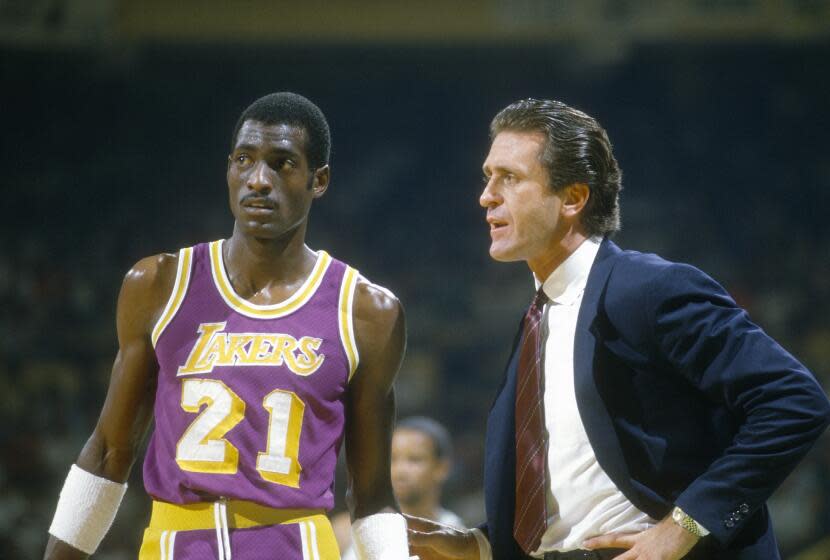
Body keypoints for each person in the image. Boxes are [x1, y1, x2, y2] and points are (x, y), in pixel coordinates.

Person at [407, 98, 830, 560]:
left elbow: (795, 400)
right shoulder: (537, 317)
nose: (486, 195)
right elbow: (578, 489)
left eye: (509, 177)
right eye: (488, 176)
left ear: (573, 198)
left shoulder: (648, 287)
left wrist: (686, 525)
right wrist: (480, 543)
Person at [44, 92, 411, 560]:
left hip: (295, 544)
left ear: (319, 180)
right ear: (228, 169)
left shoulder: (367, 312)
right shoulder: (158, 284)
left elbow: (374, 494)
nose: (258, 180)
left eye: (282, 164)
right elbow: (108, 454)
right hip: (174, 542)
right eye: (245, 159)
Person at [335, 417, 464, 559]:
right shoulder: (345, 530)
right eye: (392, 459)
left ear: (442, 468)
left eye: (414, 459)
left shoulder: (455, 536)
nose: (400, 471)